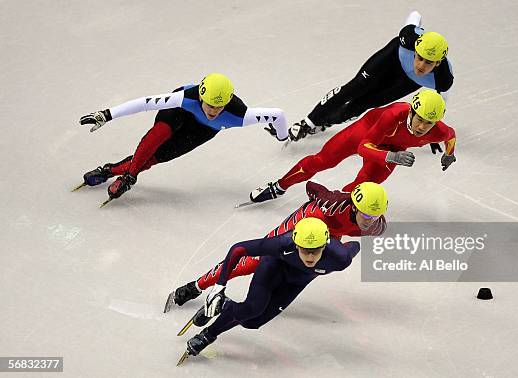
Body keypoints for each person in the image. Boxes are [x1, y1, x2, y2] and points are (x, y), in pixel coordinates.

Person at [165, 181, 388, 313]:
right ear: (354, 207)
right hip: (305, 221)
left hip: (327, 236)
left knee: (311, 268)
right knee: (251, 262)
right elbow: (312, 187)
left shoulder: (375, 227)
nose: (368, 219)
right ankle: (195, 286)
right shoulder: (334, 203)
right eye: (365, 213)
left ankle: (264, 294)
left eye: (374, 215)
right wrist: (318, 197)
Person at [77, 73, 289, 200]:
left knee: (156, 157)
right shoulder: (185, 98)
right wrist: (106, 115)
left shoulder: (241, 115)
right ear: (200, 97)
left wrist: (281, 136)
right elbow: (144, 103)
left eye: (220, 107)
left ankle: (109, 170)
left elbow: (278, 115)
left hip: (203, 131)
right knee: (157, 135)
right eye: (210, 105)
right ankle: (130, 176)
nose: (214, 111)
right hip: (179, 113)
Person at [178, 217, 361, 362]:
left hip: (296, 282)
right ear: (296, 244)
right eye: (304, 250)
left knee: (252, 323)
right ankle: (208, 335)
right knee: (253, 307)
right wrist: (220, 285)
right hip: (273, 268)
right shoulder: (283, 243)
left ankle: (224, 306)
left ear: (326, 245)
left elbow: (354, 246)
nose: (310, 256)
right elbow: (238, 249)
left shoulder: (340, 258)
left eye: (316, 250)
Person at [288, 11, 453, 155]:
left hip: (407, 81)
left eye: (429, 63)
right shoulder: (409, 37)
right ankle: (308, 122)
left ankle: (325, 121)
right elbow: (416, 15)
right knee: (355, 87)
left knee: (364, 104)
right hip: (391, 59)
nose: (421, 66)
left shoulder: (444, 79)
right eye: (419, 58)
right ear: (415, 50)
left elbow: (436, 108)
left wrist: (431, 132)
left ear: (438, 63)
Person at [249, 89, 456, 204]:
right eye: (419, 119)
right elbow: (363, 147)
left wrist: (449, 154)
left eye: (428, 123)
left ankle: (329, 206)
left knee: (361, 189)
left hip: (394, 150)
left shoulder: (439, 131)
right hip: (365, 133)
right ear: (411, 111)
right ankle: (279, 186)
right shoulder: (392, 115)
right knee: (322, 161)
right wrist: (391, 157)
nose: (422, 127)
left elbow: (451, 136)